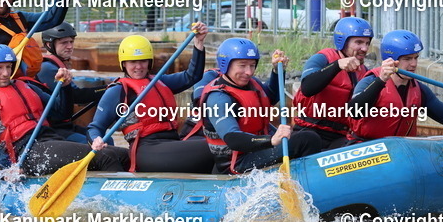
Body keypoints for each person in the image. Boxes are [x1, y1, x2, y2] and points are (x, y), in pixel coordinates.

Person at [0, 45, 129, 176]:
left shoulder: (26, 86)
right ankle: (121, 202)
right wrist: (2, 173)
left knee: (124, 155)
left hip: (50, 140)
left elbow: (62, 114)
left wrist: (65, 88)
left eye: (9, 67)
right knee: (105, 157)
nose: (6, 73)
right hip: (30, 154)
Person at [88, 25, 214, 173]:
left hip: (171, 143)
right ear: (124, 63)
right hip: (147, 151)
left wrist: (198, 44)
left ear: (149, 62)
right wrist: (96, 139)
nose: (138, 67)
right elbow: (95, 127)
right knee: (215, 146)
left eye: (143, 61)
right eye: (132, 62)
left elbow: (191, 76)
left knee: (217, 139)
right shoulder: (118, 91)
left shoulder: (159, 81)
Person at [200, 38, 324, 175]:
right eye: (242, 65)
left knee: (302, 136)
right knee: (306, 140)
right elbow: (232, 138)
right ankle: (311, 180)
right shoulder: (218, 98)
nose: (249, 72)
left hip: (256, 150)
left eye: (252, 65)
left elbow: (270, 97)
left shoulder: (252, 83)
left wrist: (277, 71)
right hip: (237, 162)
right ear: (225, 65)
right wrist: (270, 140)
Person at [346, 29, 443, 141]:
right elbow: (354, 112)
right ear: (391, 60)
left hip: (399, 153)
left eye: (416, 57)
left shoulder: (419, 90)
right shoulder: (370, 81)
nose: (414, 64)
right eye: (407, 59)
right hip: (367, 149)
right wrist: (381, 81)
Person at [293, 16, 373, 151]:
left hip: (338, 137)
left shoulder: (364, 73)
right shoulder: (321, 59)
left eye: (367, 43)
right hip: (307, 132)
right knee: (311, 139)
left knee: (358, 147)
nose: (364, 48)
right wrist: (337, 65)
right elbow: (307, 88)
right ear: (343, 41)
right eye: (359, 42)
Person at [37, 22, 108, 143]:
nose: (70, 46)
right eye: (64, 43)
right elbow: (77, 95)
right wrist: (108, 89)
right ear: (49, 44)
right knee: (98, 143)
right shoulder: (47, 68)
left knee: (107, 139)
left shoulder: (58, 65)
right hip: (53, 129)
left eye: (71, 42)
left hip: (65, 125)